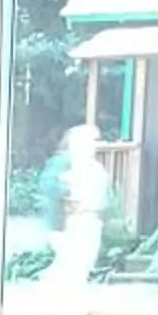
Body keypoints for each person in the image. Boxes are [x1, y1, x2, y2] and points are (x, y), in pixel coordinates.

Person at [41, 119, 108, 287]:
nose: (95, 145)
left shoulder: (94, 167)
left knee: (82, 261)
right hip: (70, 219)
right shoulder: (64, 161)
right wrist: (69, 192)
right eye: (91, 140)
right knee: (71, 262)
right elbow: (49, 185)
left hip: (91, 218)